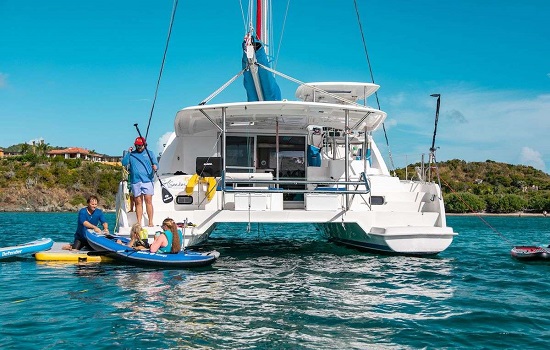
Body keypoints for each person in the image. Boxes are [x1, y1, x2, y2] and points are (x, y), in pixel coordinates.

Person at [121, 136, 159, 227]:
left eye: (141, 146)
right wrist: (129, 153)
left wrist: (156, 167)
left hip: (147, 180)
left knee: (148, 201)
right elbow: (124, 163)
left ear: (145, 145)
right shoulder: (132, 154)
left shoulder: (150, 153)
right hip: (135, 181)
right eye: (137, 146)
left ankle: (150, 221)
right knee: (138, 202)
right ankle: (139, 222)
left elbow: (156, 164)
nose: (139, 147)